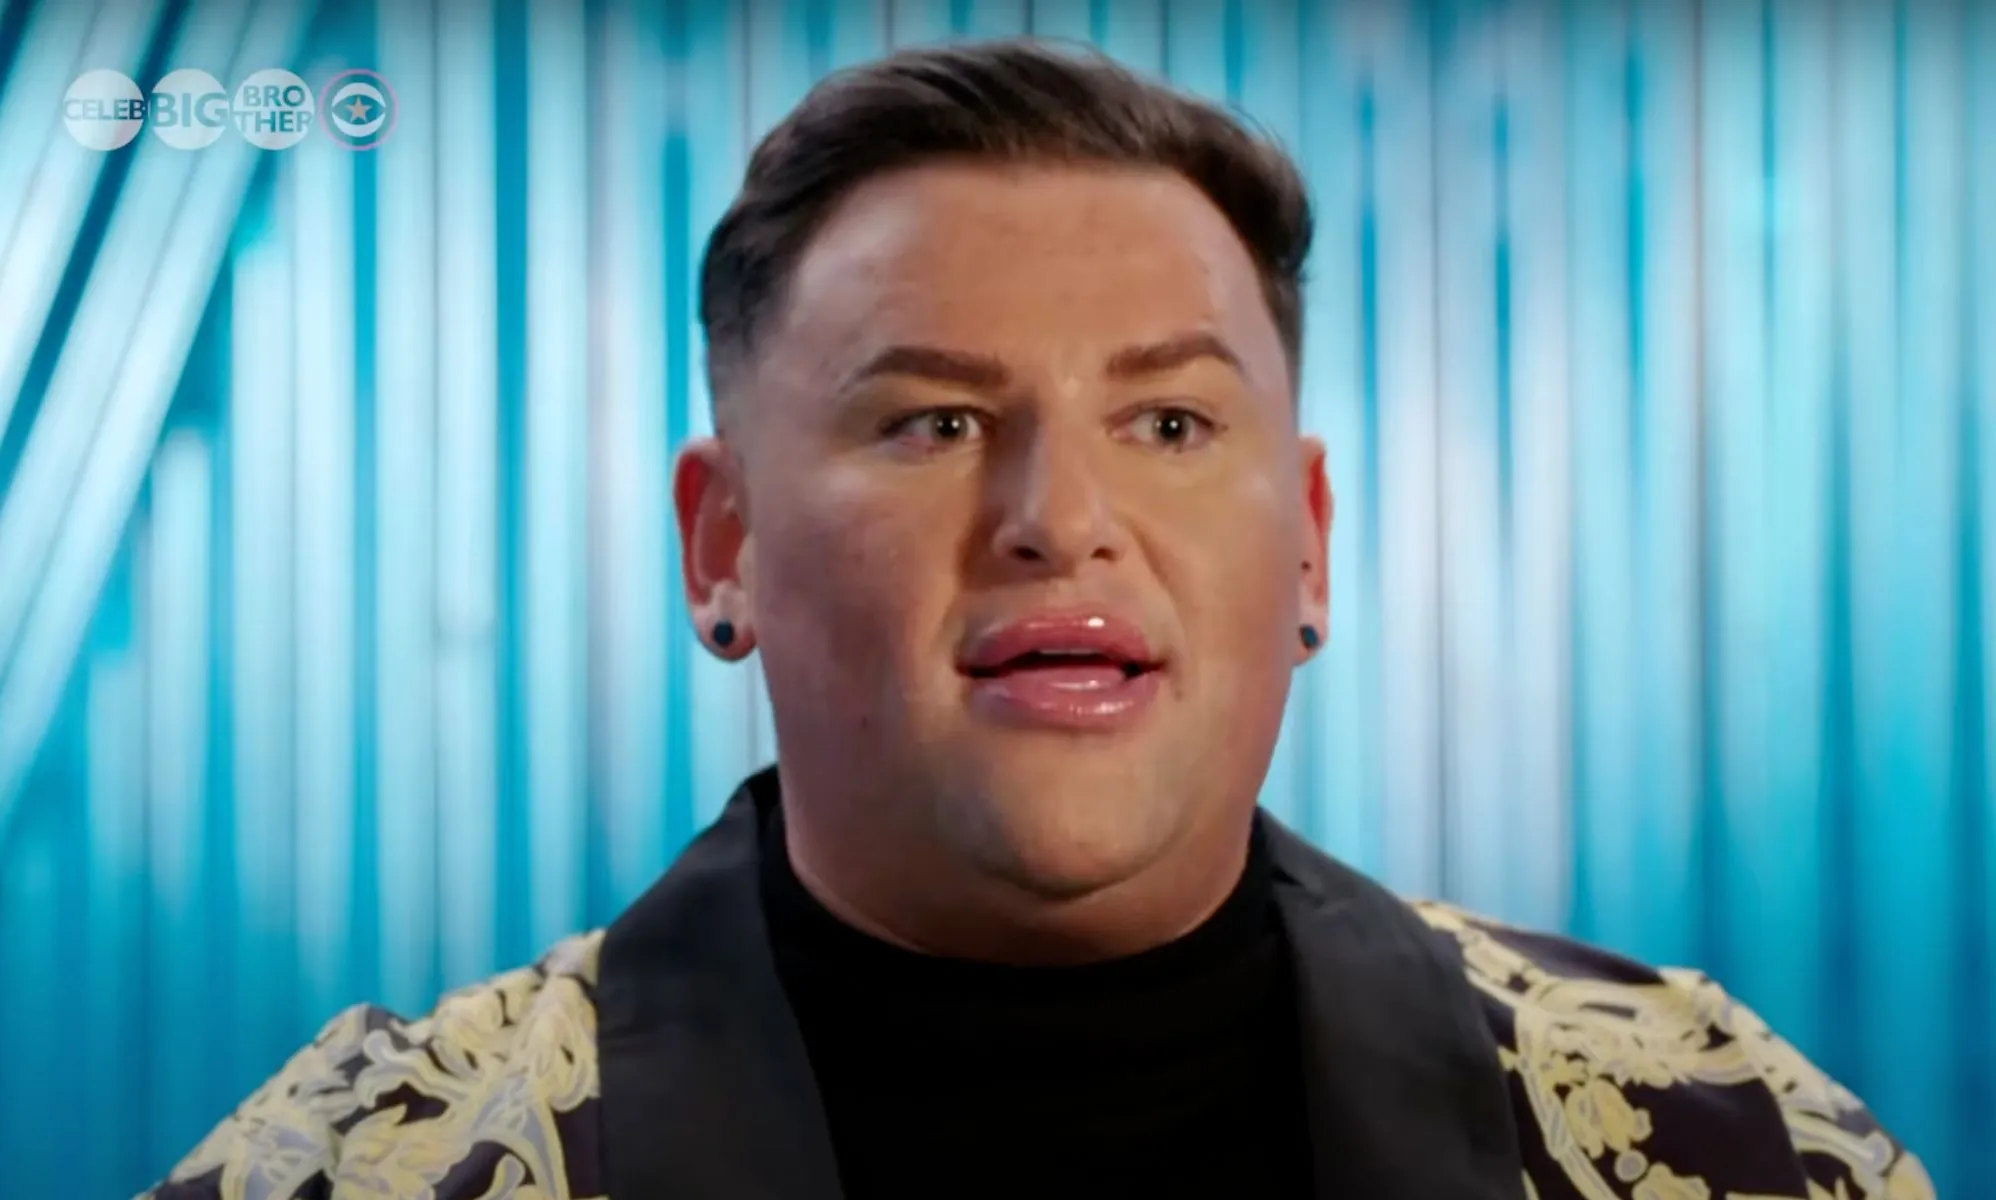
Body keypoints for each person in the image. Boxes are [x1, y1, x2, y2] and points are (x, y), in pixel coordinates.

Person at [147, 38, 1930, 1200]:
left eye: (1170, 425)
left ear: (1310, 544)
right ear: (724, 544)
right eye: (933, 423)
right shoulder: (367, 1168)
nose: (1059, 520)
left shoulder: (1728, 1136)